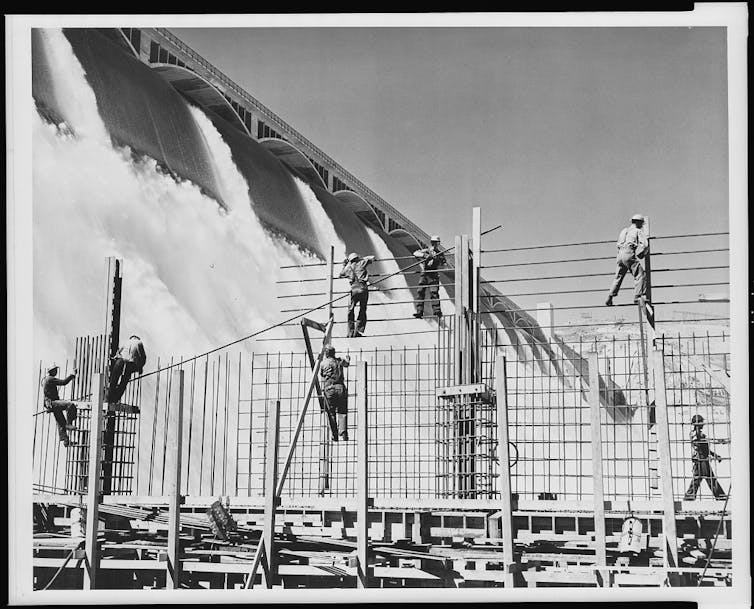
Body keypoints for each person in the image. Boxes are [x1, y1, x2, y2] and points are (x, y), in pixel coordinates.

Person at [606, 214, 648, 306]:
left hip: (620, 254)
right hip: (629, 253)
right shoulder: (638, 231)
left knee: (618, 277)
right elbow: (644, 245)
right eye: (641, 223)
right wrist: (642, 254)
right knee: (640, 274)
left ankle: (610, 296)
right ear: (638, 222)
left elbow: (618, 244)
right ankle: (638, 297)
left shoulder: (624, 231)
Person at [684, 414, 727, 500]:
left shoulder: (700, 434)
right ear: (697, 423)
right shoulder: (695, 434)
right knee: (708, 479)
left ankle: (689, 498)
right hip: (700, 459)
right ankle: (721, 497)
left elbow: (705, 448)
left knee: (701, 479)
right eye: (701, 422)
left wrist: (714, 454)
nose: (703, 424)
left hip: (702, 459)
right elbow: (698, 445)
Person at [41, 364, 78, 447]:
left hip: (50, 403)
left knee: (61, 421)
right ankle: (69, 424)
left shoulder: (47, 379)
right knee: (70, 405)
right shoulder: (50, 379)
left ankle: (66, 440)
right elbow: (63, 382)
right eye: (55, 370)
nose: (56, 371)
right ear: (52, 371)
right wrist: (72, 375)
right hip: (52, 403)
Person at [319, 344, 351, 441]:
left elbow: (322, 374)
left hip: (329, 388)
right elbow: (347, 364)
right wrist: (348, 358)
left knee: (331, 413)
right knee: (342, 410)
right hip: (340, 387)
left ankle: (335, 434)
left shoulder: (323, 363)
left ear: (326, 353)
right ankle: (343, 431)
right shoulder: (339, 361)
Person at [339, 252, 375, 338]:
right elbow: (372, 257)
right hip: (363, 288)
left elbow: (340, 275)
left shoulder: (348, 267)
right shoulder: (362, 262)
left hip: (354, 289)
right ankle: (358, 330)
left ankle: (350, 332)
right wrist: (362, 258)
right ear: (357, 258)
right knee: (363, 309)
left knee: (350, 310)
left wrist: (345, 265)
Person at [412, 235, 447, 319]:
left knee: (434, 293)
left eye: (435, 243)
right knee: (420, 292)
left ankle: (437, 311)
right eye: (433, 242)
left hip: (433, 274)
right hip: (425, 274)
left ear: (438, 244)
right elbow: (415, 253)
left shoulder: (440, 254)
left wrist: (438, 260)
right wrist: (425, 256)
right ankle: (419, 312)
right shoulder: (426, 251)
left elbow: (444, 265)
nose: (434, 244)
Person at [106, 335, 147, 404]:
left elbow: (118, 352)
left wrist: (114, 358)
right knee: (123, 383)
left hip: (120, 362)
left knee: (113, 381)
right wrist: (140, 367)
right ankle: (115, 398)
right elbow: (143, 357)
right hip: (130, 363)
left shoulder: (126, 341)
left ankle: (109, 398)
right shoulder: (139, 342)